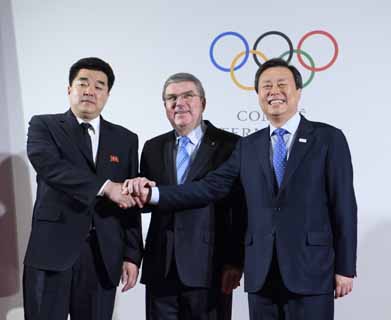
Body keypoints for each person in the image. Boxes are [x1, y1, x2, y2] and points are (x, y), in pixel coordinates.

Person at [125, 58, 357, 320]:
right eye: (266, 86)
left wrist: (345, 267)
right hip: (261, 275)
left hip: (311, 270)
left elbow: (344, 206)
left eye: (282, 84)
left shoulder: (328, 138)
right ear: (258, 95)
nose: (274, 91)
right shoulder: (248, 146)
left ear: (298, 92)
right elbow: (209, 187)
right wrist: (154, 194)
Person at [23, 57, 143, 320]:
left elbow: (130, 196)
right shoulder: (44, 126)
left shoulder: (126, 139)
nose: (90, 90)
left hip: (103, 256)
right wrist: (105, 187)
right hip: (51, 252)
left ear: (108, 94)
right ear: (69, 89)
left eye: (100, 86)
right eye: (83, 83)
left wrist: (133, 254)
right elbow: (50, 167)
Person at [138, 73, 246, 320]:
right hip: (160, 268)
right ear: (165, 106)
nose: (179, 103)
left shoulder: (231, 145)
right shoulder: (152, 147)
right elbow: (143, 204)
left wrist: (235, 261)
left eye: (188, 96)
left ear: (203, 103)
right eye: (171, 98)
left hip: (210, 267)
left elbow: (239, 209)